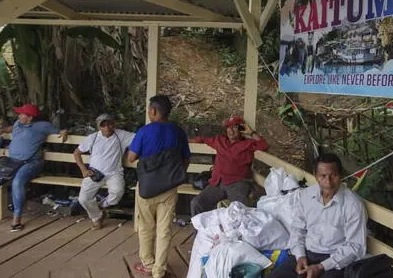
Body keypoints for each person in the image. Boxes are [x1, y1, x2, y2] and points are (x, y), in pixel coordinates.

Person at [0, 104, 68, 232]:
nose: (19, 115)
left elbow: (60, 131)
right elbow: (11, 128)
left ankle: (17, 219)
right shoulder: (18, 123)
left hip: (31, 162)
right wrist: (2, 130)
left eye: (22, 114)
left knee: (17, 182)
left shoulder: (42, 126)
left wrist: (64, 132)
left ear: (30, 117)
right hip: (11, 161)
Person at [268, 153, 367, 278]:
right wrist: (300, 256)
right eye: (323, 176)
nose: (328, 182)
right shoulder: (306, 195)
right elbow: (297, 229)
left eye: (334, 175)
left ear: (341, 175)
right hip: (307, 254)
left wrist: (321, 266)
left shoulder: (352, 204)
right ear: (316, 176)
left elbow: (355, 246)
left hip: (335, 259)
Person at [128, 95, 191, 278]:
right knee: (164, 230)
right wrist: (172, 177)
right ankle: (159, 271)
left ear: (154, 111)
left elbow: (131, 158)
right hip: (169, 189)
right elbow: (186, 160)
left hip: (147, 189)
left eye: (149, 109)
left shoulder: (144, 131)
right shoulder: (178, 132)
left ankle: (148, 264)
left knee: (146, 227)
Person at [188, 116, 268, 216]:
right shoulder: (219, 140)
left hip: (237, 183)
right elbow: (203, 139)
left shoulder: (247, 144)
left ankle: (239, 231)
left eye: (235, 127)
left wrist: (251, 132)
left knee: (240, 210)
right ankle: (199, 232)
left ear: (241, 129)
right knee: (196, 203)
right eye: (228, 127)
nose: (231, 130)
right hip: (217, 183)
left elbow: (264, 145)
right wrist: (188, 141)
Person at [73, 113, 135, 229]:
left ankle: (101, 206)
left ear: (114, 124)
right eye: (103, 125)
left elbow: (140, 137)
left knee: (117, 192)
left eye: (109, 124)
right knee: (83, 199)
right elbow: (77, 153)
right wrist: (83, 170)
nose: (107, 128)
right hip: (94, 172)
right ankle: (97, 217)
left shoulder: (121, 135)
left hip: (114, 173)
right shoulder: (93, 137)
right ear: (98, 127)